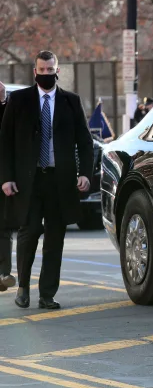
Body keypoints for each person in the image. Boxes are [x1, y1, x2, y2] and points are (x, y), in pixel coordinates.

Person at [0, 51, 93, 309]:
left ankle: (47, 294)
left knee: (55, 239)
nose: (46, 74)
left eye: (50, 70)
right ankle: (23, 288)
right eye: (41, 70)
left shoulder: (71, 102)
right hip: (28, 182)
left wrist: (84, 172)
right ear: (35, 72)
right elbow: (5, 142)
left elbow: (85, 142)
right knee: (28, 234)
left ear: (57, 71)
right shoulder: (18, 101)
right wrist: (6, 178)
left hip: (59, 181)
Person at [0, 80, 16, 292]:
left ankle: (4, 274)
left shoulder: (8, 107)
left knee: (3, 228)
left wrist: (2, 101)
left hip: (3, 176)